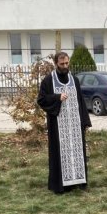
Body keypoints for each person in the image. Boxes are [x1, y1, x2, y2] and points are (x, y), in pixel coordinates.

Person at [37, 51, 92, 193]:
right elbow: (41, 100)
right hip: (58, 125)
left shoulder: (74, 80)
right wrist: (57, 98)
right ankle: (61, 185)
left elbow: (81, 101)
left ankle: (78, 182)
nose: (65, 66)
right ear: (56, 64)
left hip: (74, 124)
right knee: (59, 154)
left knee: (77, 152)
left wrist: (85, 121)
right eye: (62, 64)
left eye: (67, 63)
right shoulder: (48, 81)